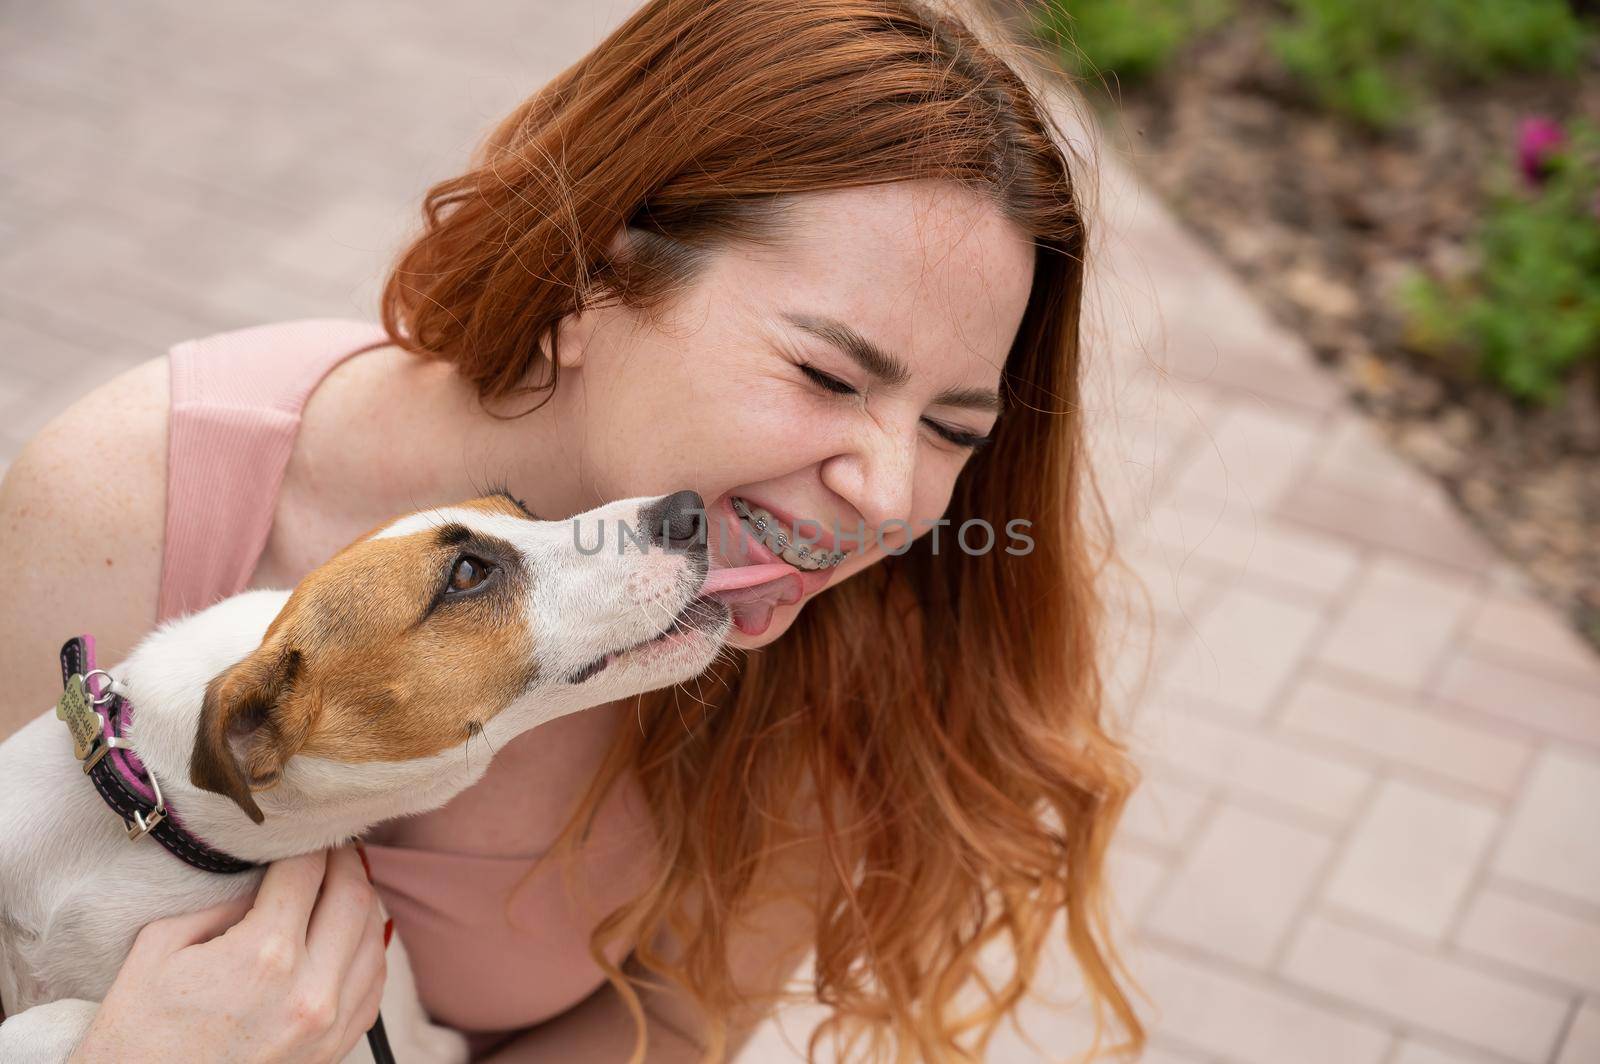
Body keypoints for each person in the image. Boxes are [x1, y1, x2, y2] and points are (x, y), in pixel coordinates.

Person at [0, 0, 1145, 1060]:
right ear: (589, 281)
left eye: (951, 425)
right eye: (828, 373)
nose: (891, 495)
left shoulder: (863, 638)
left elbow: (672, 1021)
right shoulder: (129, 505)